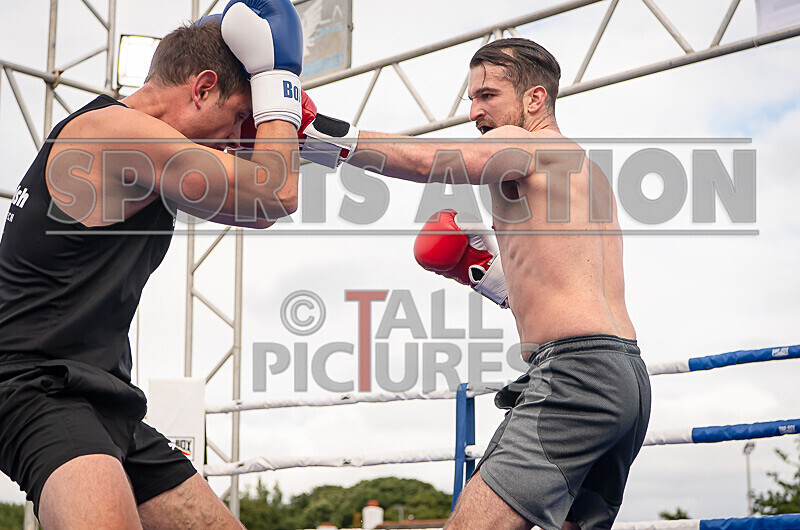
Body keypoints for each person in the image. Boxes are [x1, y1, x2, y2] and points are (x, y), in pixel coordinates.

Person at [301, 38, 652, 530]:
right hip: (624, 372)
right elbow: (565, 280)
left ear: (535, 99)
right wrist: (489, 275)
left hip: (578, 374)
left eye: (488, 96)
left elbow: (429, 162)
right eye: (472, 98)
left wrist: (318, 135)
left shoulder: (528, 145)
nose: (474, 112)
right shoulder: (584, 171)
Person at [0, 0, 303, 527]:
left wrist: (290, 131)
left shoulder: (146, 153)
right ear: (202, 88)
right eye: (237, 118)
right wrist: (281, 93)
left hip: (103, 396)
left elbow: (260, 212)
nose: (237, 139)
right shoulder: (110, 134)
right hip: (36, 387)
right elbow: (276, 191)